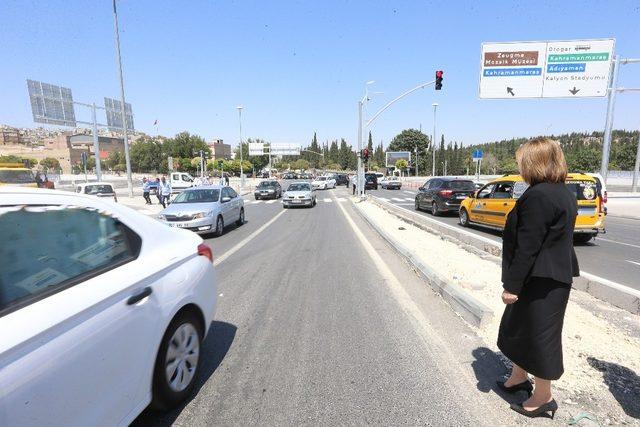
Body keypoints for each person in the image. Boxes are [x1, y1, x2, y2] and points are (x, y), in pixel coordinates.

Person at [497, 138, 579, 419]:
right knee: (519, 327)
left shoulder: (539, 195)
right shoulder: (562, 192)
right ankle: (518, 376)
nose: (520, 166)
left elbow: (527, 247)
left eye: (523, 160)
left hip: (540, 279)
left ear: (535, 162)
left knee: (541, 337)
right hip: (549, 276)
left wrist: (512, 286)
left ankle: (544, 397)